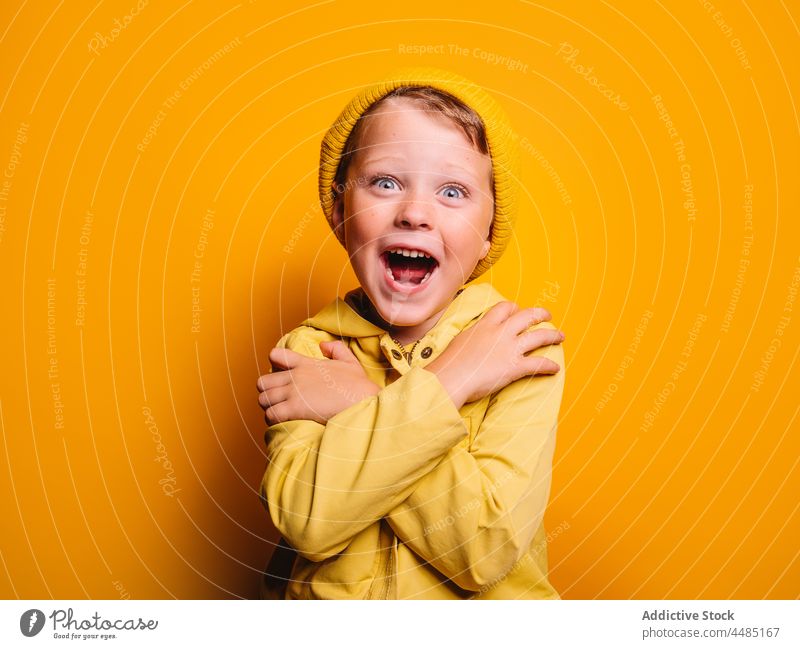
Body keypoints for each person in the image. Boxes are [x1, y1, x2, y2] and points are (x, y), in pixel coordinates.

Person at [256, 68, 566, 599]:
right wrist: (447, 387)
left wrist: (364, 403)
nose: (416, 213)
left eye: (452, 191)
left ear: (491, 227)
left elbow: (484, 553)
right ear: (338, 211)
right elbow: (308, 520)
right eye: (385, 183)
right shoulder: (307, 352)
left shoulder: (519, 349)